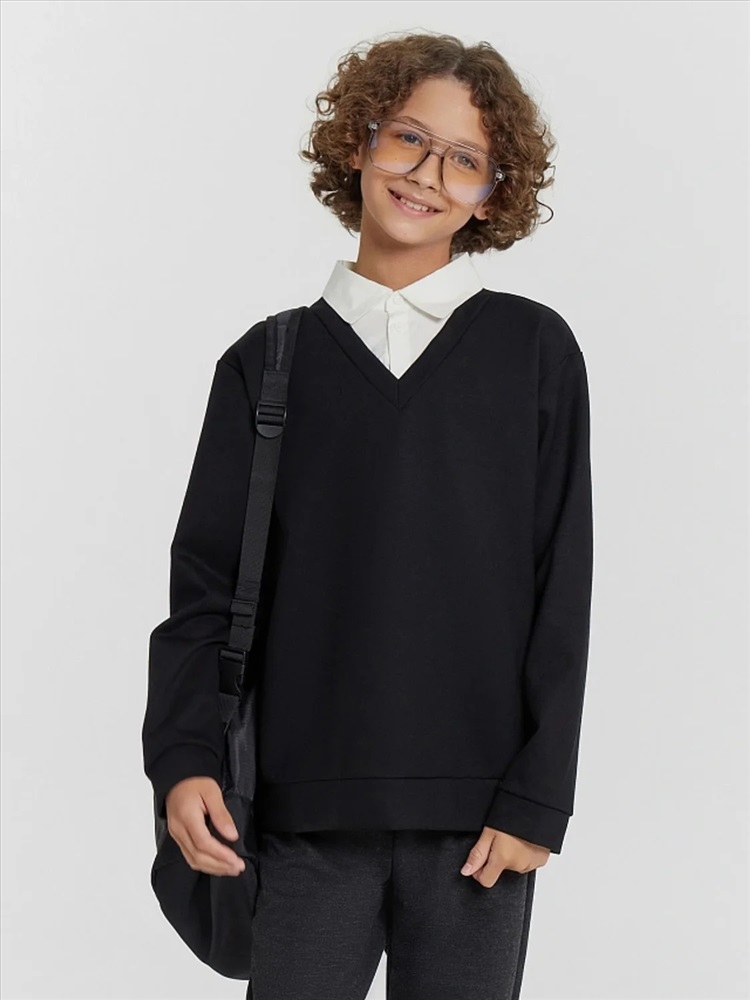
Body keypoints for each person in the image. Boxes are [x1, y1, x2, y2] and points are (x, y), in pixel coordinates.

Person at [142, 30, 594, 1000]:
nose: (427, 174)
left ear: (492, 192)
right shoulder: (267, 364)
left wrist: (538, 798)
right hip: (299, 818)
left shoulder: (534, 353)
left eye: (464, 158)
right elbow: (205, 587)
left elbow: (562, 584)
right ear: (359, 141)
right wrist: (182, 760)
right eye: (408, 138)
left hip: (480, 827)